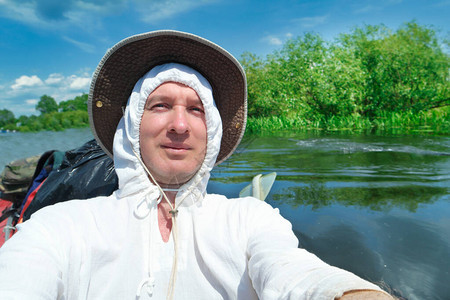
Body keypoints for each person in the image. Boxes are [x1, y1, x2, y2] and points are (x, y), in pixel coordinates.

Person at [0, 30, 393, 299]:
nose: (180, 125)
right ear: (133, 126)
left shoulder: (251, 219)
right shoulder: (63, 226)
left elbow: (300, 276)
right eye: (160, 106)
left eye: (196, 110)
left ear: (214, 131)